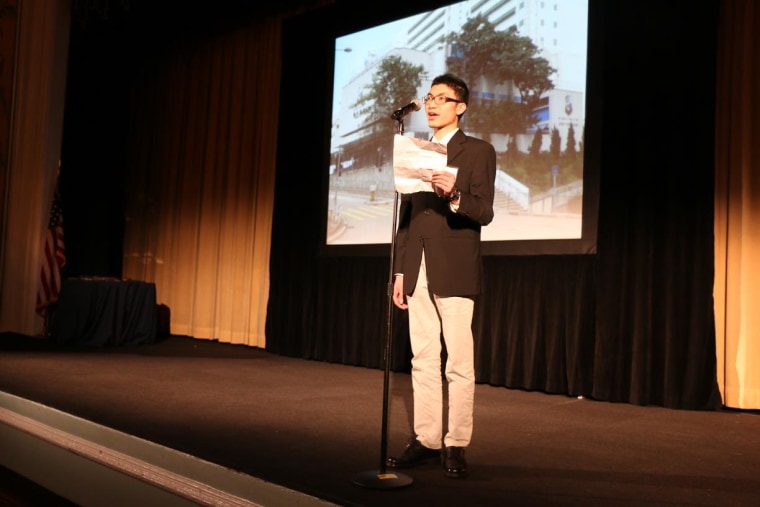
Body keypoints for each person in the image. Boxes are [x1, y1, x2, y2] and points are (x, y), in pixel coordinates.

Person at [387, 73, 496, 479]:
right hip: (417, 267)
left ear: (460, 107)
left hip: (455, 267)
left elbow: (484, 211)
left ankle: (456, 442)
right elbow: (407, 218)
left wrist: (454, 196)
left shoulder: (478, 151)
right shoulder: (416, 150)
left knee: (458, 364)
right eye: (429, 97)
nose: (431, 105)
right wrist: (400, 269)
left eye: (441, 99)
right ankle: (427, 438)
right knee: (423, 359)